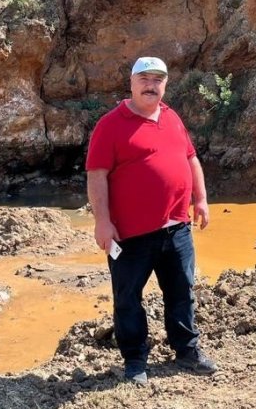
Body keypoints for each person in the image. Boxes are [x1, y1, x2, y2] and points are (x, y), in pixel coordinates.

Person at [85, 55, 217, 385]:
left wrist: (200, 199)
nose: (151, 85)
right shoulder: (110, 125)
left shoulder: (171, 117)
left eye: (158, 79)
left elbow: (191, 159)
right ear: (131, 84)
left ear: (165, 85)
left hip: (177, 227)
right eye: (144, 79)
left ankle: (187, 351)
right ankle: (135, 360)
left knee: (182, 291)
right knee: (128, 299)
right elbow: (96, 175)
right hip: (130, 235)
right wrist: (102, 222)